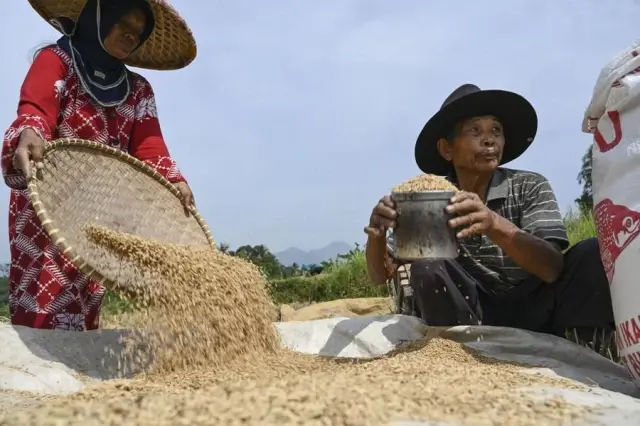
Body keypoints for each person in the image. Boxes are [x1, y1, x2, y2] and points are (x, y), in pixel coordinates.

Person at [364, 84, 617, 360]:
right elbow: (380, 275)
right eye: (475, 131)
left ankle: (590, 347)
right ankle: (454, 353)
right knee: (426, 266)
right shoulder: (432, 198)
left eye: (495, 130)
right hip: (471, 315)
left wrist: (494, 224)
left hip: (539, 307)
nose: (489, 140)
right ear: (447, 148)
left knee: (590, 252)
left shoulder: (528, 185)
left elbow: (552, 269)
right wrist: (377, 235)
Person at [1, 0, 197, 331]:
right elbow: (35, 108)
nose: (131, 36)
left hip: (99, 209)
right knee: (43, 298)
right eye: (124, 24)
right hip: (48, 200)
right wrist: (30, 133)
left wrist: (174, 181)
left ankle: (78, 366)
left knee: (88, 291)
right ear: (99, 19)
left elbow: (150, 147)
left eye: (139, 32)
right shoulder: (57, 61)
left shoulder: (138, 91)